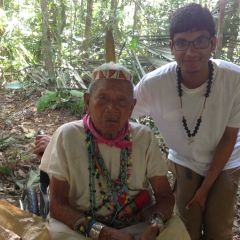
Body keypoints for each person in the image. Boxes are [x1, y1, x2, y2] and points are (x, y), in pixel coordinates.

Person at [39, 62, 190, 240]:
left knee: (174, 228)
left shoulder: (143, 136)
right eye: (102, 98)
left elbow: (165, 196)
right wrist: (102, 232)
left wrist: (155, 225)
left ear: (132, 106)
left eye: (121, 101)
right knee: (56, 235)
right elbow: (57, 204)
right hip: (83, 227)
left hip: (135, 226)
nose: (111, 108)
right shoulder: (68, 135)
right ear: (87, 101)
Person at [133, 3, 240, 240]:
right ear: (172, 46)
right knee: (185, 229)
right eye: (182, 42)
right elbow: (119, 111)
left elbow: (229, 137)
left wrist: (204, 191)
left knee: (218, 228)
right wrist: (68, 135)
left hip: (226, 160)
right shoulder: (155, 84)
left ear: (213, 43)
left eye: (199, 41)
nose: (190, 52)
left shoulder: (233, 79)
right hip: (185, 159)